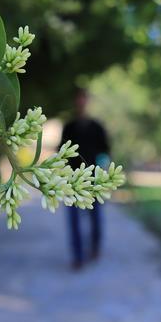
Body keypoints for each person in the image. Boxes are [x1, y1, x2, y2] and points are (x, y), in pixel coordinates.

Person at [59, 88, 110, 270]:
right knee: (73, 221)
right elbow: (62, 153)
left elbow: (105, 152)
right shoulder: (69, 127)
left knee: (96, 218)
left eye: (83, 99)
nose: (80, 102)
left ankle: (95, 248)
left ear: (87, 102)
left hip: (94, 180)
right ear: (75, 102)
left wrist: (104, 176)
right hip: (72, 181)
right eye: (78, 99)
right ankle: (78, 257)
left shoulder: (97, 127)